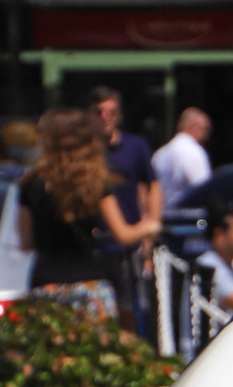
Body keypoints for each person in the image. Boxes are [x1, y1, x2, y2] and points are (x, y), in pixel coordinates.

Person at [13, 108, 159, 324]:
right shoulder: (95, 183)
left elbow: (26, 242)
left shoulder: (30, 185)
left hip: (45, 283)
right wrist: (149, 226)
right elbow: (123, 235)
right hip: (90, 284)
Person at [88, 87, 159, 331]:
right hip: (94, 244)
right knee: (99, 312)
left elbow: (152, 186)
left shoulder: (135, 146)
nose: (105, 117)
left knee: (131, 307)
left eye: (111, 112)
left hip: (129, 243)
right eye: (99, 112)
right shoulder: (85, 152)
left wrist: (151, 226)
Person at [155, 108, 213, 212]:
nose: (206, 135)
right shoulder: (194, 151)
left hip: (163, 216)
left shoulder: (160, 154)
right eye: (205, 129)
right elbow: (204, 189)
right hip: (189, 219)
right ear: (194, 127)